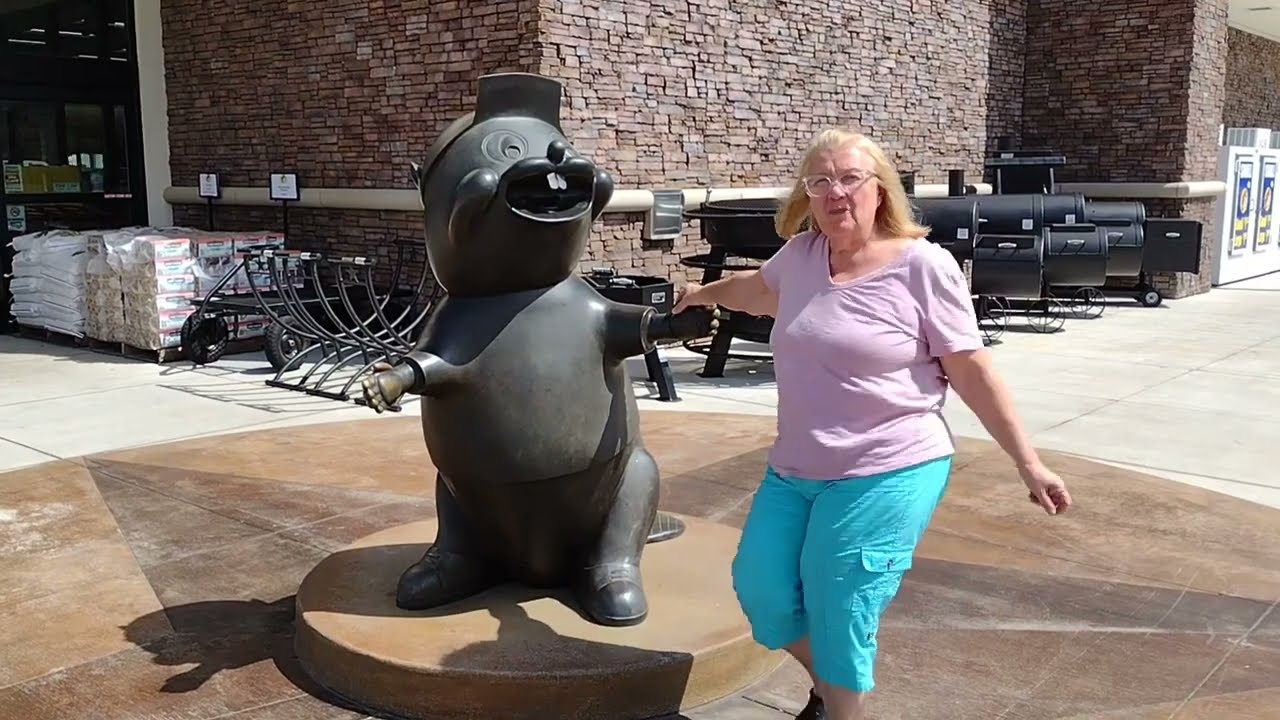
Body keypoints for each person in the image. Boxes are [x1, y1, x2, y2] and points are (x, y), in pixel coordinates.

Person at [671, 128, 1073, 720]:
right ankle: (832, 690)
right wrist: (698, 292)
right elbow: (755, 291)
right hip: (797, 468)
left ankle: (842, 706)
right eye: (821, 180)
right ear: (807, 194)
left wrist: (1028, 461)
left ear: (880, 188)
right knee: (765, 595)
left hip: (890, 465)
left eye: (850, 178)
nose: (836, 192)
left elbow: (972, 370)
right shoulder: (801, 256)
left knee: (840, 603)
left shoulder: (922, 266)